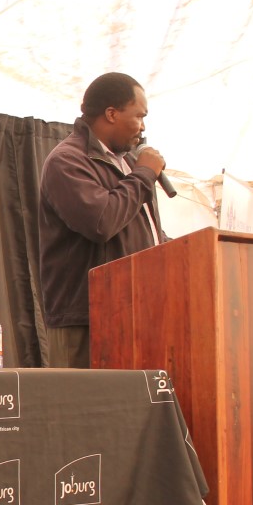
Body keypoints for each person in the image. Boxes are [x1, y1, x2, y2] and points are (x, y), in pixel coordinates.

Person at [38, 72, 168, 368]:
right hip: (85, 320)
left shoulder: (130, 163)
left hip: (134, 313)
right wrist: (144, 175)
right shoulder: (67, 161)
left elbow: (144, 233)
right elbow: (102, 221)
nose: (143, 127)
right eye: (139, 116)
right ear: (111, 114)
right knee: (85, 399)